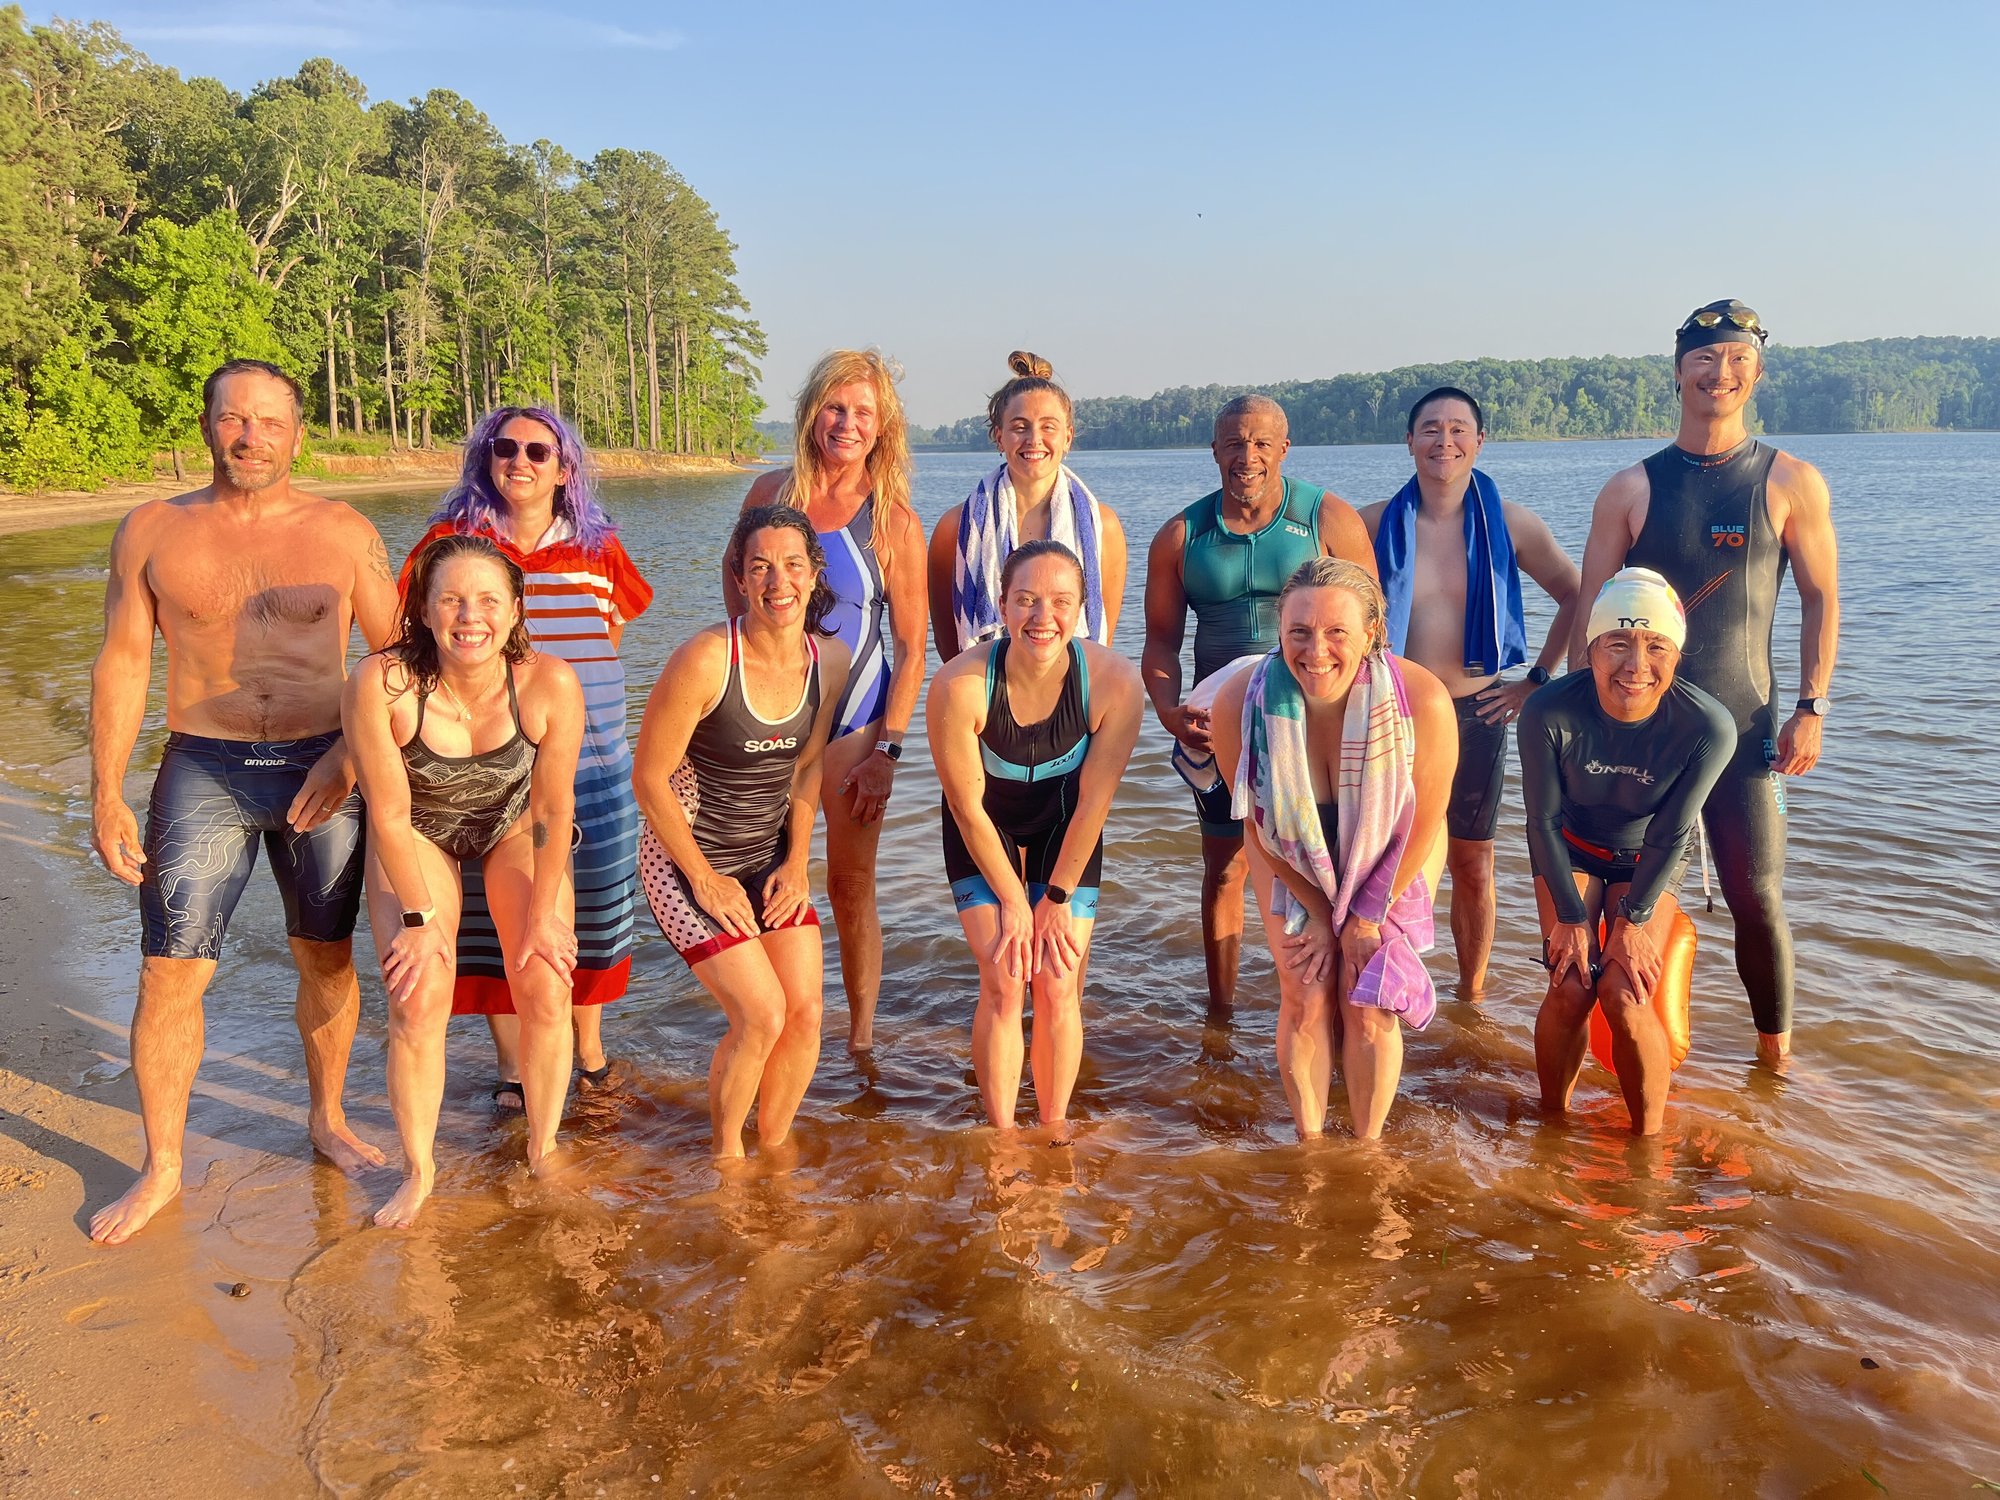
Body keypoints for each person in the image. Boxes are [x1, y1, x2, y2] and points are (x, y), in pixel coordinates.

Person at [86, 359, 398, 1246]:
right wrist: (105, 790)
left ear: (299, 432)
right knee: (169, 968)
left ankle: (327, 1118)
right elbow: (123, 662)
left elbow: (397, 657)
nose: (250, 435)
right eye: (234, 419)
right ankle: (164, 1167)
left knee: (327, 959)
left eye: (268, 421)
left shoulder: (343, 532)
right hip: (204, 767)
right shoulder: (151, 529)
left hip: (320, 766)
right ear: (207, 425)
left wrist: (349, 751)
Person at [1573, 300, 1839, 1063]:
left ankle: (1774, 1067)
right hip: (1640, 734)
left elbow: (1821, 598)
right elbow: (1597, 618)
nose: (1720, 374)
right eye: (1704, 358)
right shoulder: (1630, 488)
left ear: (1756, 372)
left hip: (1746, 723)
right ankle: (1626, 1056)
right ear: (1679, 369)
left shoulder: (1789, 481)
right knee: (1617, 899)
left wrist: (1811, 705)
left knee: (1757, 899)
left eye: (1737, 360)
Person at [402, 407, 652, 1108]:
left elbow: (613, 633)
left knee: (595, 918)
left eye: (538, 451)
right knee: (495, 923)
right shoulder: (448, 544)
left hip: (595, 765)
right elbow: (414, 640)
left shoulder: (600, 547)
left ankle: (590, 1056)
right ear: (485, 458)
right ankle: (513, 1070)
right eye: (504, 447)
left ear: (564, 467)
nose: (521, 460)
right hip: (486, 772)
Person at [344, 534, 585, 1225]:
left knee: (544, 978)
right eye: (450, 599)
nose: (468, 616)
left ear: (515, 611)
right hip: (418, 832)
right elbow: (387, 815)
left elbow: (549, 810)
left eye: (487, 600)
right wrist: (419, 923)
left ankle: (543, 1148)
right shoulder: (382, 684)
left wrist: (543, 915)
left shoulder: (548, 683)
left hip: (513, 829)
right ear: (421, 609)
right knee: (417, 995)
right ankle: (419, 1172)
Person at [1141, 395, 1376, 1022]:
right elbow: (1160, 641)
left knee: (1331, 867)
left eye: (1262, 444)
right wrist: (1166, 708)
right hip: (1220, 724)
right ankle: (1222, 1016)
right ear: (1214, 451)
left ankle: (1331, 1006)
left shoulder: (1327, 519)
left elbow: (1371, 629)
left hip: (1315, 721)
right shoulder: (1180, 535)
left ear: (1283, 449)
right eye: (1234, 445)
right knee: (1225, 865)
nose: (1248, 457)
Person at [1209, 558, 1453, 1141]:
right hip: (1289, 852)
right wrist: (1315, 910)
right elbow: (1255, 823)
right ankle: (1311, 1147)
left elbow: (1427, 820)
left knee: (1367, 996)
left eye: (1337, 632)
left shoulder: (1424, 699)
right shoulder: (1239, 703)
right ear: (1279, 632)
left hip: (1395, 844)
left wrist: (1366, 916)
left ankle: (1367, 1149)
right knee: (1304, 988)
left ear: (1371, 633)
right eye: (1299, 632)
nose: (1316, 651)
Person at [641, 506, 852, 1158]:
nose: (777, 581)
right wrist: (705, 881)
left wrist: (796, 864)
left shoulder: (832, 661)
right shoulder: (705, 660)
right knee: (759, 1016)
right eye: (759, 566)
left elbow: (808, 771)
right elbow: (648, 780)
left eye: (792, 564)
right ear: (738, 576)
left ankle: (775, 1153)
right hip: (685, 865)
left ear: (815, 573)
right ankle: (728, 1160)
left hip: (768, 860)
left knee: (807, 1015)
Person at [731, 351, 925, 1053]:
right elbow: (738, 602)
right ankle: (767, 1026)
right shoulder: (767, 494)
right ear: (813, 411)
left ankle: (861, 1042)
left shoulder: (892, 522)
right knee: (760, 876)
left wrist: (889, 750)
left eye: (863, 413)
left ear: (882, 429)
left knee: (848, 884)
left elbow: (910, 648)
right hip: (768, 718)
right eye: (836, 408)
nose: (846, 424)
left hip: (856, 726)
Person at [1361, 386, 1581, 998]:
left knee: (1472, 863)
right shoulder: (1371, 524)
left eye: (1459, 429)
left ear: (1480, 442)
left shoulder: (1510, 522)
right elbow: (1315, 597)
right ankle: (1384, 986)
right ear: (1409, 441)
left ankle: (1471, 996)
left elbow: (1577, 594)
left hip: (1478, 712)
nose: (1444, 440)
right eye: (1431, 428)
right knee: (1383, 862)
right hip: (1393, 713)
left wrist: (1536, 681)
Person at [925, 541, 1143, 1132]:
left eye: (1059, 602)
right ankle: (1002, 1138)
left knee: (1057, 982)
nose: (1041, 617)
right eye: (1025, 600)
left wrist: (1054, 899)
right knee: (1002, 980)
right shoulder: (959, 685)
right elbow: (968, 809)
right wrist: (1016, 903)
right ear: (1001, 605)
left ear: (1081, 610)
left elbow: (1094, 802)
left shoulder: (1115, 682)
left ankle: (1053, 1129)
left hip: (1064, 824)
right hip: (983, 828)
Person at [1522, 568, 1734, 1134]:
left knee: (1624, 991)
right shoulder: (1547, 710)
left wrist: (1632, 921)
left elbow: (1672, 835)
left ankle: (1649, 1145)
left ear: (1676, 654)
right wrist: (1571, 917)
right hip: (1569, 848)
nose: (1636, 666)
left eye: (1655, 645)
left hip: (1650, 857)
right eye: (1617, 643)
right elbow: (1540, 820)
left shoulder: (1708, 726)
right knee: (1570, 985)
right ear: (1590, 649)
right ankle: (1552, 1129)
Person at [927, 351, 1128, 660]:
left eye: (1049, 427)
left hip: (1073, 691)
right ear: (999, 437)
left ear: (1068, 438)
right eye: (1020, 426)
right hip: (984, 692)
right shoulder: (956, 527)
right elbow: (949, 645)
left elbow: (1102, 638)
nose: (1034, 439)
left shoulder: (1104, 526)